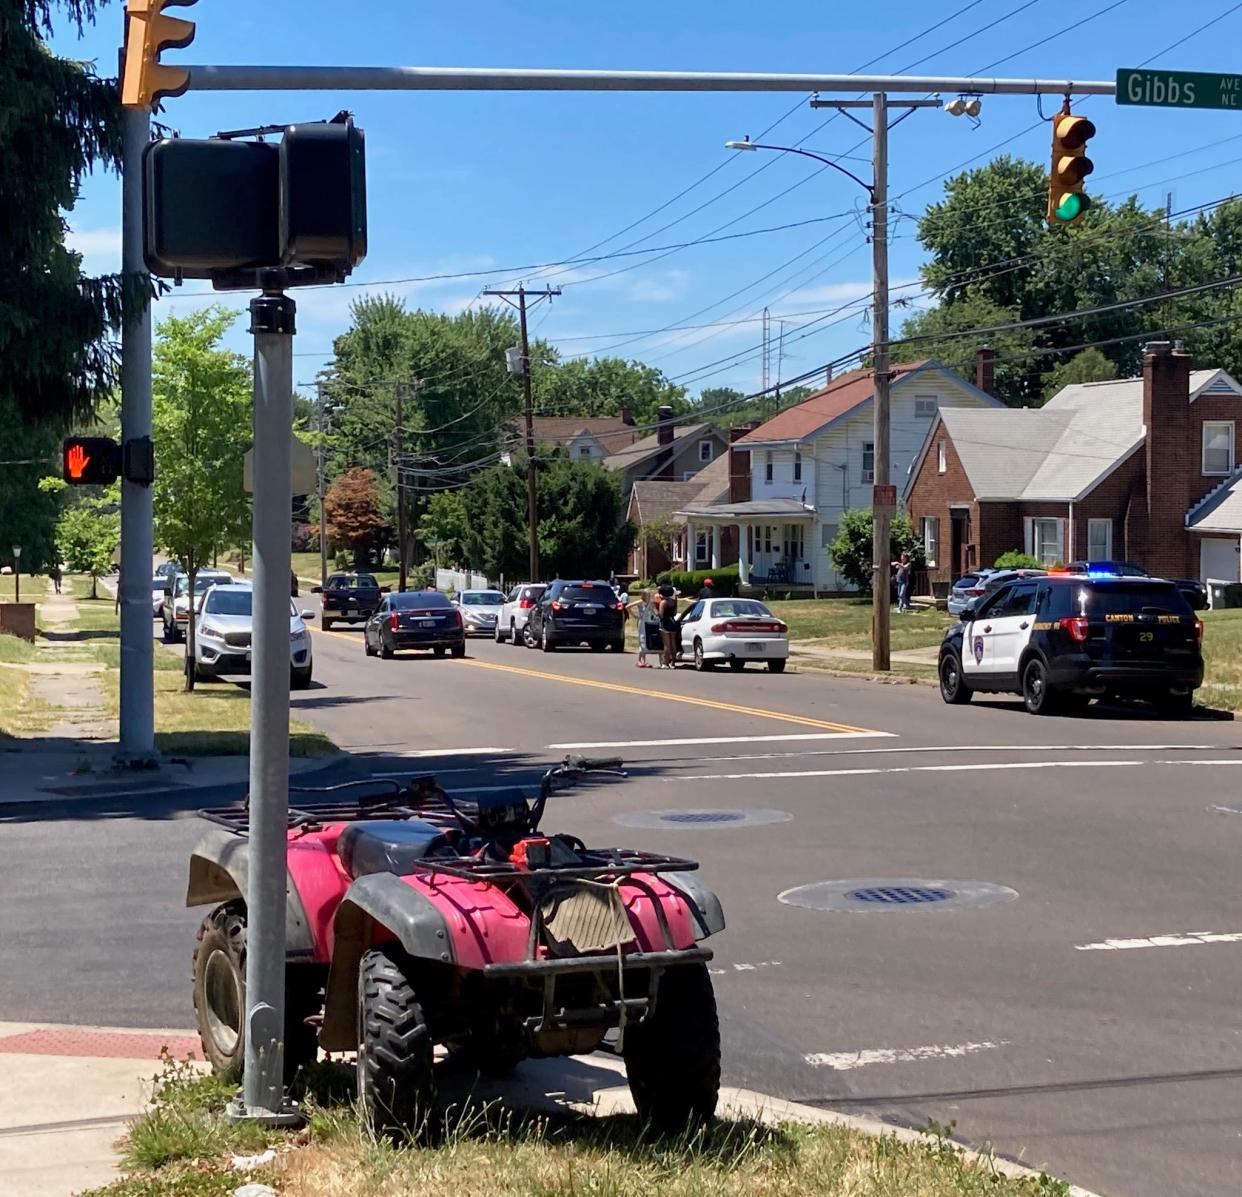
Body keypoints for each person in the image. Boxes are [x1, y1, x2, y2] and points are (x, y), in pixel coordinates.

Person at [628, 589, 658, 668]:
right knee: (642, 640)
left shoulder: (650, 603)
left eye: (649, 595)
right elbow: (628, 607)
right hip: (641, 623)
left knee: (645, 640)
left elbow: (655, 612)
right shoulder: (640, 602)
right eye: (647, 595)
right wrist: (634, 616)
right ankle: (639, 660)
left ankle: (643, 660)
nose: (648, 596)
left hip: (647, 623)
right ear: (644, 595)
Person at [657, 585, 679, 669]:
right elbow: (675, 612)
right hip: (672, 622)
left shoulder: (663, 602)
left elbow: (661, 615)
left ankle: (665, 663)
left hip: (665, 623)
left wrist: (654, 610)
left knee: (666, 644)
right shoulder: (673, 601)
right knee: (673, 644)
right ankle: (673, 662)